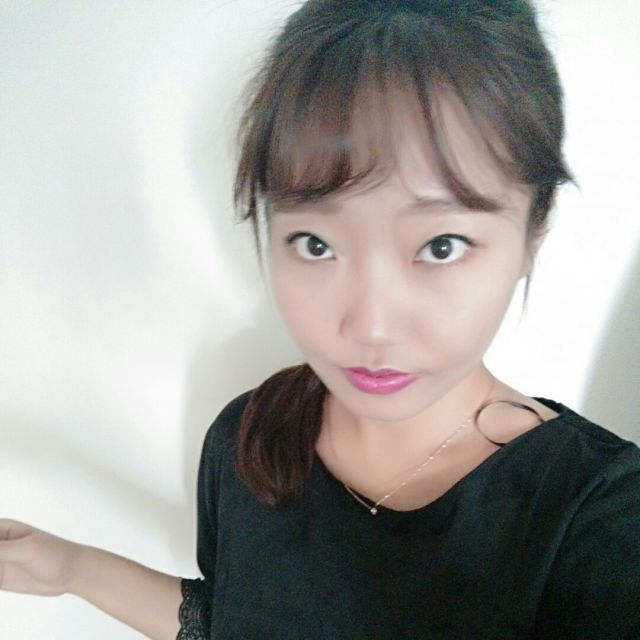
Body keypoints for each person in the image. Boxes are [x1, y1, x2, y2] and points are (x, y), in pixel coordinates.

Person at [1, 1, 639, 638]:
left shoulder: (599, 521)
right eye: (315, 243)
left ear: (534, 232)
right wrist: (74, 569)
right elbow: (238, 620)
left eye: (441, 246)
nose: (372, 327)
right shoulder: (249, 438)